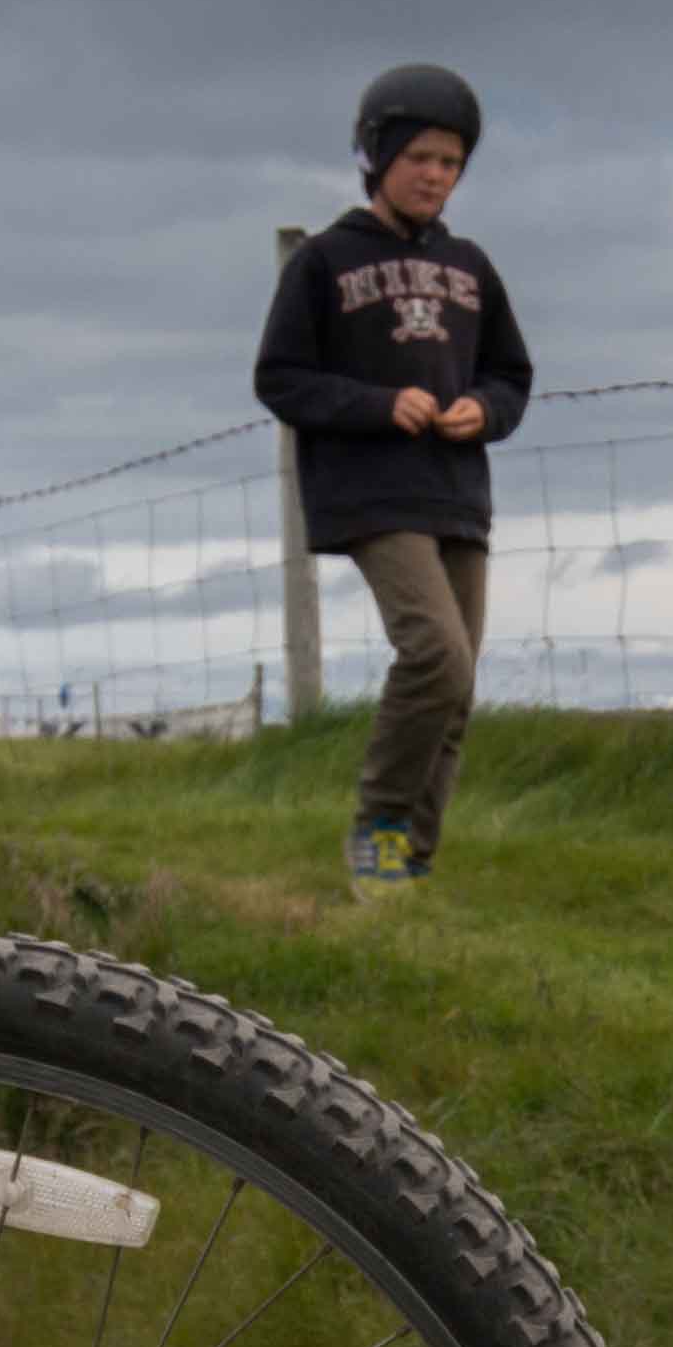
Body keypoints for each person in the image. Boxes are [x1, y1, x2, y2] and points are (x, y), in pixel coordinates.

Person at [255, 64, 530, 885]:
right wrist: (379, 405)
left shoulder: (472, 266)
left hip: (458, 495)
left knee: (456, 689)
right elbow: (281, 379)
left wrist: (485, 409)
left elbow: (511, 375)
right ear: (376, 156)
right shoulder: (325, 261)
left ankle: (410, 867)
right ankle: (378, 827)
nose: (434, 176)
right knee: (436, 656)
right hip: (372, 495)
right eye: (419, 158)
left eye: (450, 162)